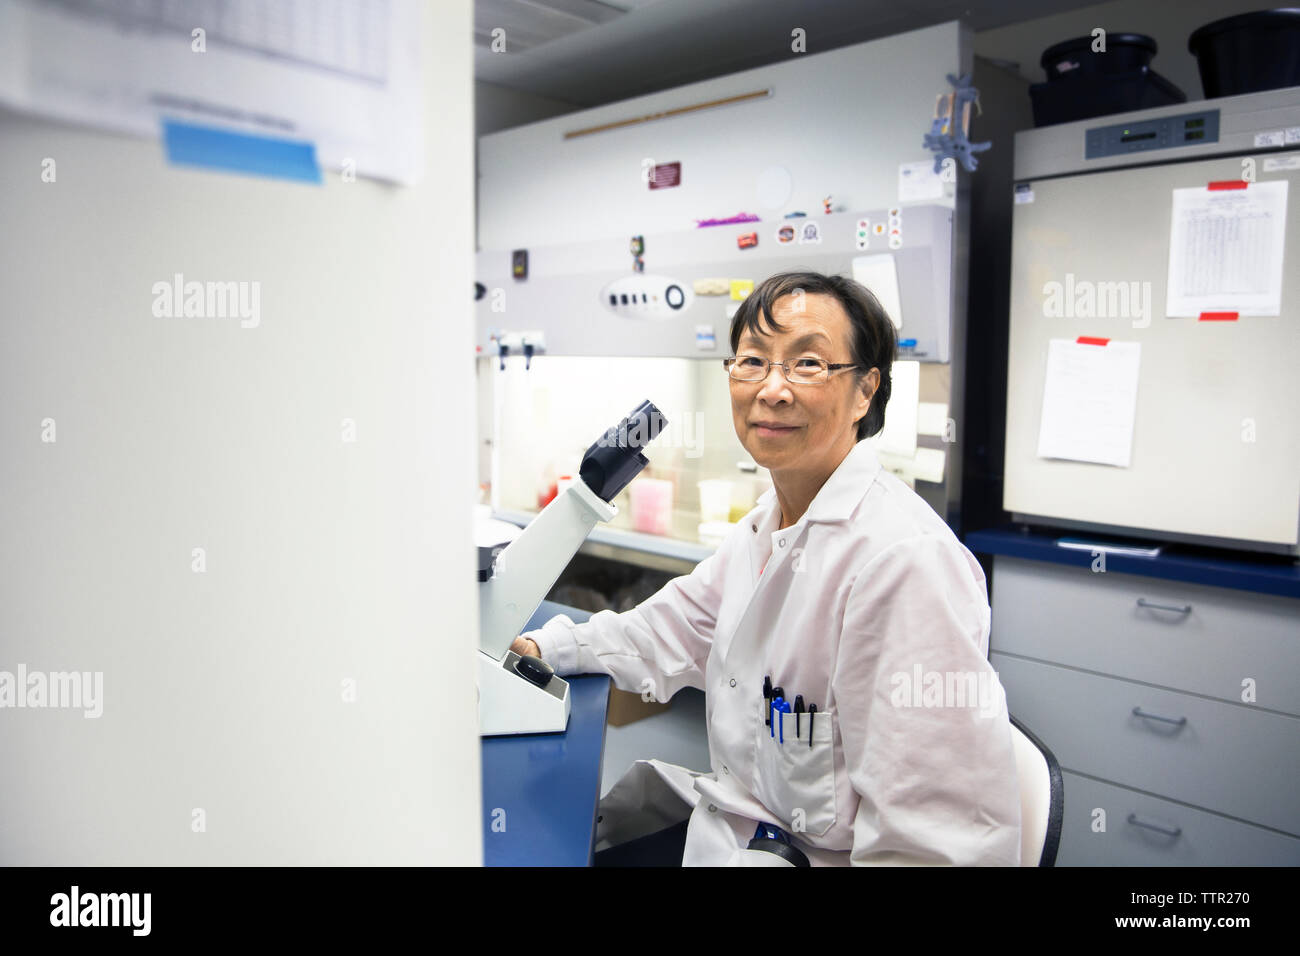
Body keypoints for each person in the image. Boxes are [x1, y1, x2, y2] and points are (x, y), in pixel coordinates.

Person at [512, 270, 1021, 866]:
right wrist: (545, 648)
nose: (772, 389)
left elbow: (938, 848)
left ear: (865, 391)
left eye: (808, 364)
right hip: (741, 833)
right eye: (752, 360)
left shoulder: (904, 565)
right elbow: (667, 629)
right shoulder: (769, 524)